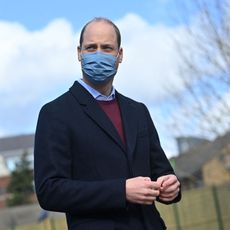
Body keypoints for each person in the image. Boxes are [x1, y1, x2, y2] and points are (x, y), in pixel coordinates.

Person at [34, 17, 181, 230]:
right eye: (91, 47)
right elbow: (50, 191)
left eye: (107, 48)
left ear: (119, 55)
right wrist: (121, 191)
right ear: (79, 53)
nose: (99, 54)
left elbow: (161, 171)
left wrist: (171, 187)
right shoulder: (55, 113)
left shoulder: (138, 111)